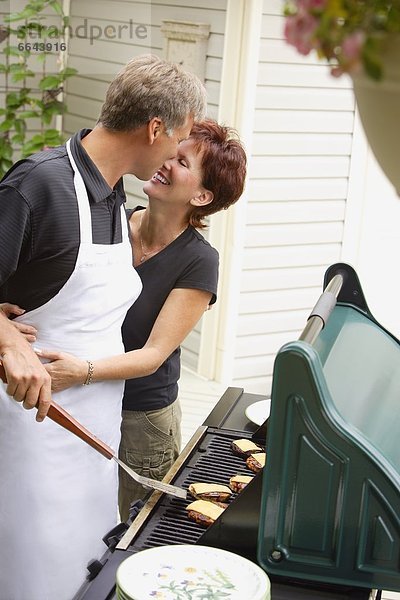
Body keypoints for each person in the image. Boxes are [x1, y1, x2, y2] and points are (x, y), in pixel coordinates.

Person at [0, 54, 206, 600]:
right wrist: (4, 340)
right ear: (155, 128)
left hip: (95, 435)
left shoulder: (115, 196)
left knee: (84, 572)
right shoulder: (39, 186)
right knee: (31, 575)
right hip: (29, 432)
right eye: (177, 141)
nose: (171, 157)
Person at [36, 119, 247, 521]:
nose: (167, 161)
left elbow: (152, 356)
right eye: (172, 152)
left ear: (202, 195)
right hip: (87, 400)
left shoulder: (199, 262)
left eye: (182, 162)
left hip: (142, 421)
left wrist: (80, 370)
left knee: (134, 532)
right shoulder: (114, 222)